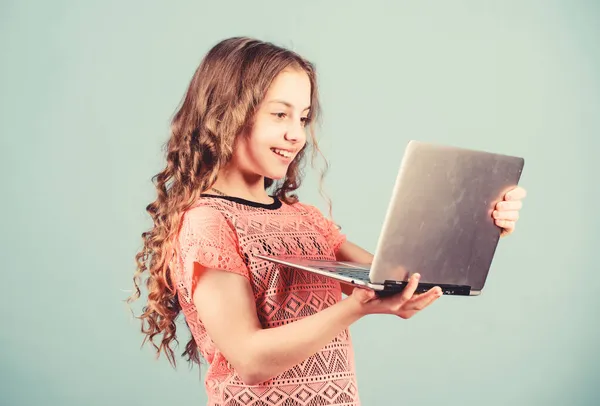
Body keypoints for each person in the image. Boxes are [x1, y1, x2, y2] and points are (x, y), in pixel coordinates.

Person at [129, 36, 527, 405]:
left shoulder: (306, 219)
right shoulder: (209, 223)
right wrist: (354, 308)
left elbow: (398, 275)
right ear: (225, 115)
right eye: (280, 115)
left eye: (302, 118)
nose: (295, 135)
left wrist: (482, 224)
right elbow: (250, 359)